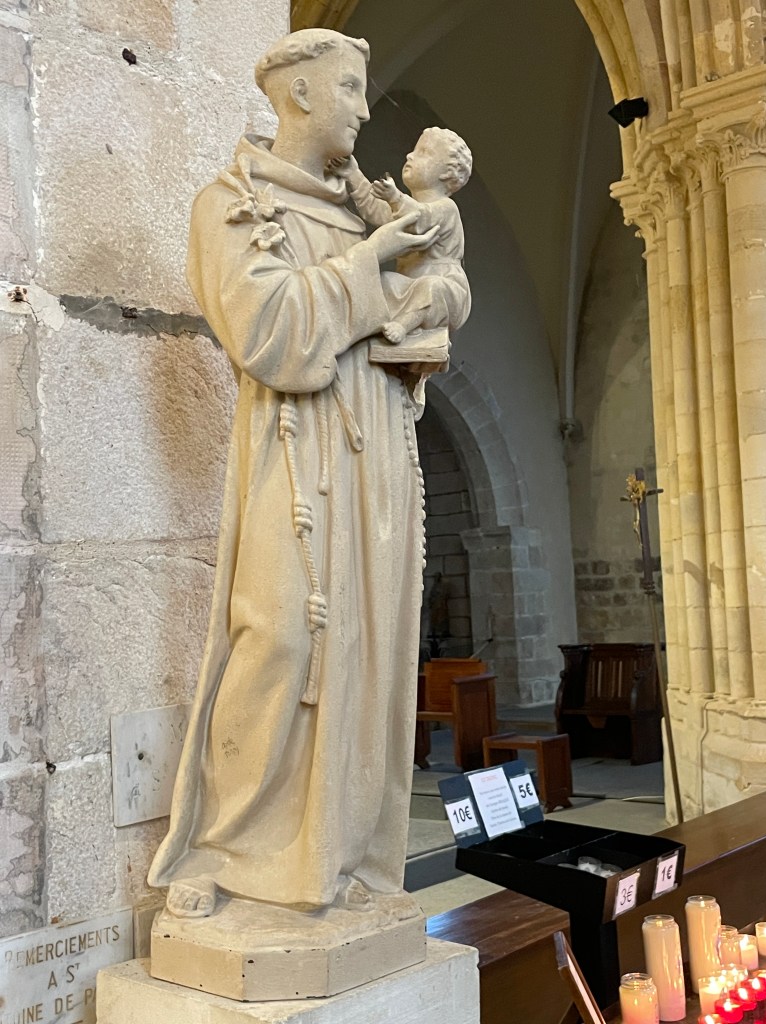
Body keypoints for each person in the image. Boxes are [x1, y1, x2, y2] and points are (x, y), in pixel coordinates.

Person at [147, 28, 450, 919]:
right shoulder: (233, 204)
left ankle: (341, 858)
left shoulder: (368, 214)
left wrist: (406, 290)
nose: (363, 106)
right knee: (279, 637)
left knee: (367, 652)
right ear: (302, 94)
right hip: (295, 455)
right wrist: (374, 275)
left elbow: (434, 299)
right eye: (349, 87)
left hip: (378, 459)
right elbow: (272, 332)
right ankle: (226, 848)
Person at [337, 127, 472, 345]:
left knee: (431, 288)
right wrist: (352, 172)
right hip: (408, 284)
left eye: (424, 152)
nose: (410, 156)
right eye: (414, 150)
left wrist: (396, 198)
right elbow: (375, 209)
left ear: (446, 172)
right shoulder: (402, 208)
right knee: (383, 281)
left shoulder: (446, 208)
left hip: (446, 289)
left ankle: (403, 325)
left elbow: (421, 221)